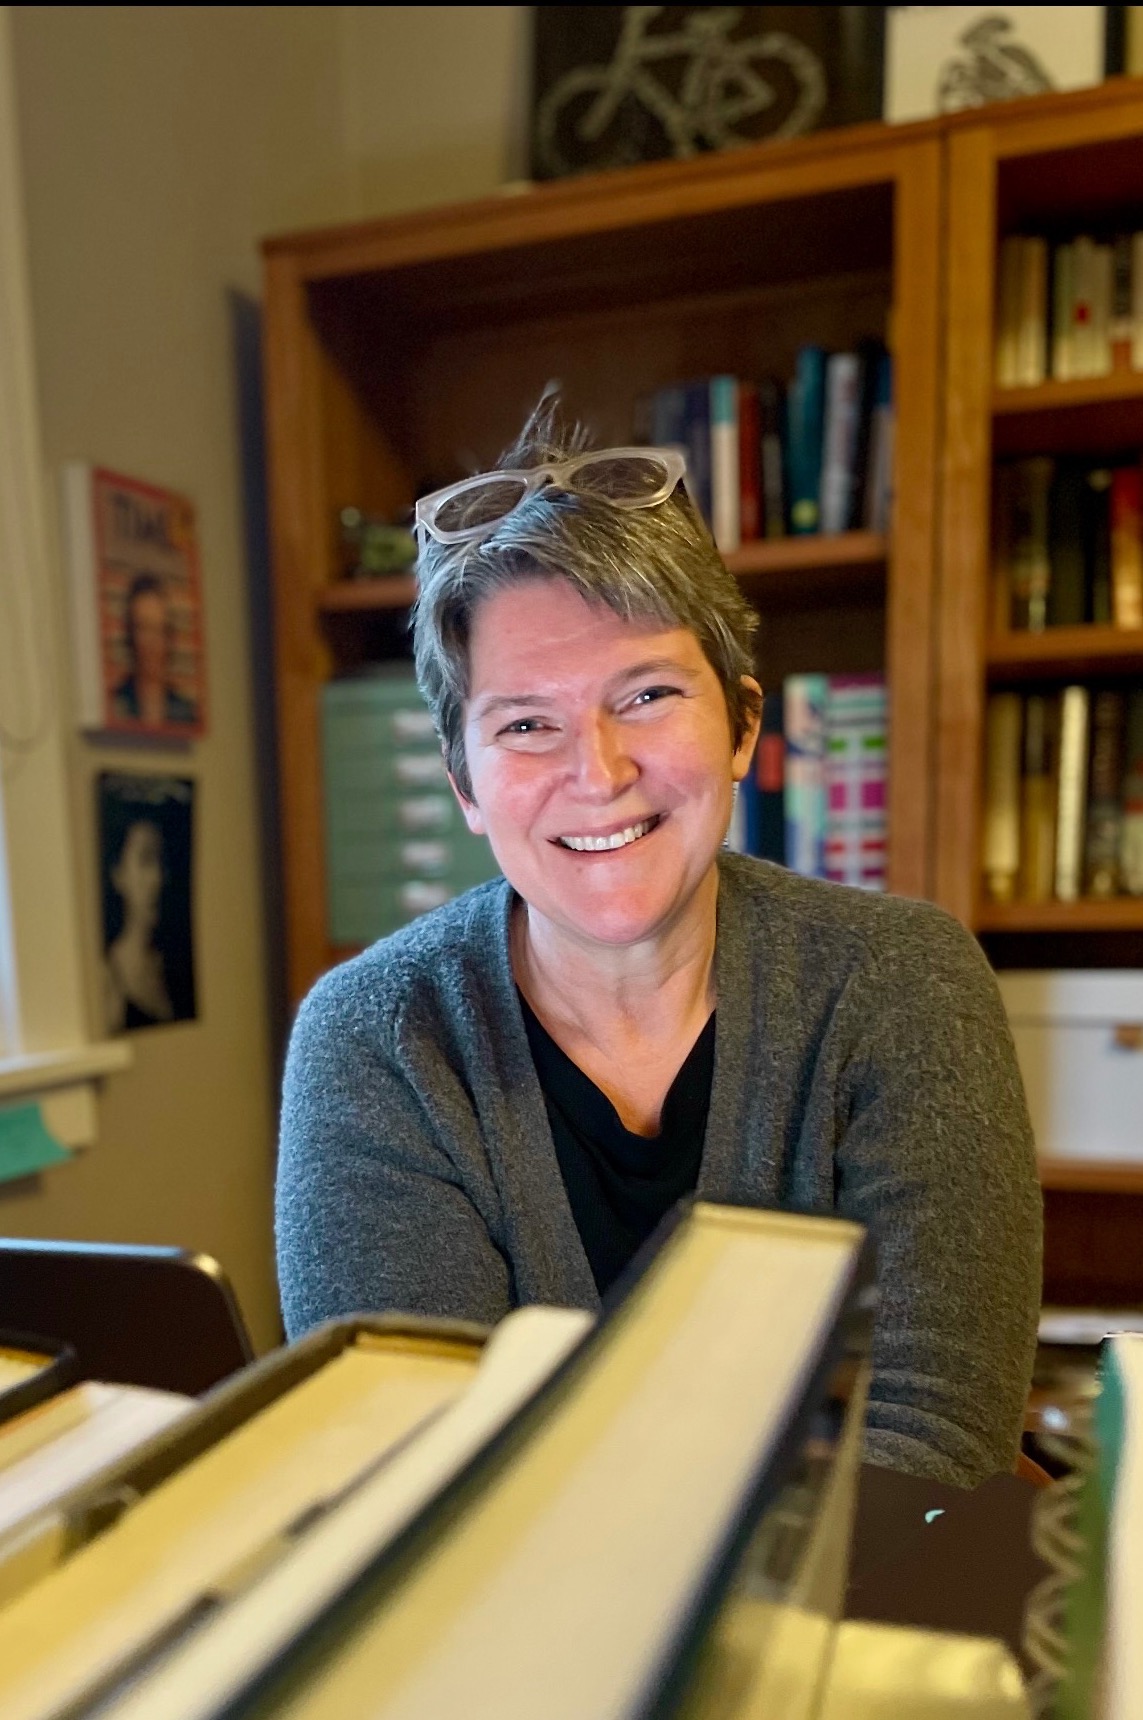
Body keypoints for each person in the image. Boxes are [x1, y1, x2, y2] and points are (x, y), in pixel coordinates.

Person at [276, 401, 1041, 1487]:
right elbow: (417, 1473)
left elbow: (928, 1462)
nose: (598, 771)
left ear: (740, 725)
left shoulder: (905, 985)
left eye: (644, 695)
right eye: (525, 723)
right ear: (465, 787)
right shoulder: (376, 1037)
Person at [103, 815, 176, 1031]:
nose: (156, 877)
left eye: (160, 861)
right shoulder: (108, 980)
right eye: (144, 860)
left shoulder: (169, 965)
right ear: (119, 875)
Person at [112, 572, 198, 728]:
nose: (152, 642)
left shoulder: (185, 712)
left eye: (158, 629)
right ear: (130, 635)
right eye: (144, 628)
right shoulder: (115, 705)